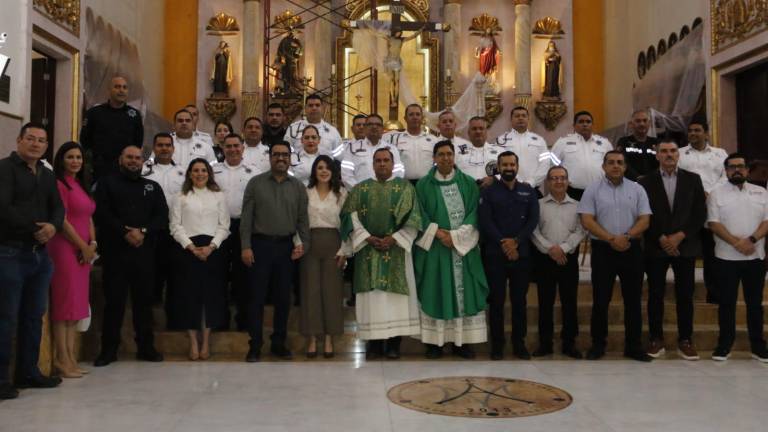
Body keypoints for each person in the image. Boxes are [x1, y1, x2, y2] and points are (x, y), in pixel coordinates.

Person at [0, 123, 64, 399]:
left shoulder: (47, 174)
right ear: (19, 140)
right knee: (6, 318)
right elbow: (3, 207)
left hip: (40, 255)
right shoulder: (4, 169)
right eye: (30, 139)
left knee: (33, 317)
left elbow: (58, 207)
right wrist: (36, 227)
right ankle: (1, 379)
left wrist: (53, 226)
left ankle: (28, 371)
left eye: (41, 141)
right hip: (10, 252)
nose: (36, 144)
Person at [341, 148, 422, 360]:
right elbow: (349, 218)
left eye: (386, 160)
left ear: (393, 163)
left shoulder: (405, 189)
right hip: (368, 251)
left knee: (394, 301)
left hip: (396, 250)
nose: (382, 164)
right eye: (378, 161)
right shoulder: (360, 189)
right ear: (373, 164)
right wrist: (367, 237)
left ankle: (394, 344)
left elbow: (414, 219)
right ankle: (374, 344)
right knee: (372, 299)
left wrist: (394, 238)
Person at [93, 145, 168, 367]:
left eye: (137, 158)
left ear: (143, 161)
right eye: (129, 157)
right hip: (116, 252)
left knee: (144, 303)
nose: (134, 161)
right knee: (114, 303)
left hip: (144, 253)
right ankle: (108, 350)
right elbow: (102, 213)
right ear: (120, 159)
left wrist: (143, 231)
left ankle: (146, 347)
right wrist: (125, 232)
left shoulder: (152, 187)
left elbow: (161, 216)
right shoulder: (107, 184)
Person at [414, 141, 488, 359]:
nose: (446, 158)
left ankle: (461, 342)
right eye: (441, 154)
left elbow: (474, 212)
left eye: (449, 154)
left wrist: (455, 236)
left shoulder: (467, 183)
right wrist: (439, 234)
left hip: (462, 249)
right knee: (436, 290)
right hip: (435, 249)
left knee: (463, 294)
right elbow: (419, 213)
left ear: (454, 157)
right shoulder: (423, 185)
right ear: (434, 158)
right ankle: (434, 343)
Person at [578, 150, 652, 362]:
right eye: (611, 162)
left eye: (620, 162)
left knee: (633, 301)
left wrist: (626, 236)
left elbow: (645, 219)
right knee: (601, 300)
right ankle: (598, 345)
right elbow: (587, 220)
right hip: (603, 250)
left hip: (632, 249)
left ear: (625, 166)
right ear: (603, 166)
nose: (615, 166)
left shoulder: (637, 189)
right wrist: (612, 239)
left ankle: (634, 346)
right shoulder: (592, 190)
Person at [241, 142, 309, 362]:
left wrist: (303, 244)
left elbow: (302, 220)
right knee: (256, 298)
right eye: (276, 154)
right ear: (270, 157)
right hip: (260, 246)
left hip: (286, 248)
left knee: (283, 299)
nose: (281, 158)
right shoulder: (256, 183)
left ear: (290, 158)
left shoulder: (298, 186)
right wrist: (245, 246)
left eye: (285, 155)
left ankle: (279, 343)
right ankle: (255, 345)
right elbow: (246, 219)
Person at [638, 139, 706, 360]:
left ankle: (685, 339)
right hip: (656, 245)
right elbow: (643, 213)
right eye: (664, 151)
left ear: (679, 155)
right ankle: (656, 338)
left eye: (673, 151)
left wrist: (679, 236)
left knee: (685, 295)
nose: (668, 154)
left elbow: (699, 213)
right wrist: (661, 238)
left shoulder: (693, 180)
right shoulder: (645, 181)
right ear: (656, 155)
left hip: (684, 246)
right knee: (655, 294)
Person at [707, 153, 768, 362]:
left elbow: (766, 221)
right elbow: (714, 224)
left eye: (741, 166)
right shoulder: (716, 194)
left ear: (747, 170)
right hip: (726, 258)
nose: (737, 170)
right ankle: (724, 345)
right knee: (726, 303)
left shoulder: (761, 192)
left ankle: (758, 346)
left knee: (755, 304)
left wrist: (751, 240)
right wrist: (737, 243)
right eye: (732, 167)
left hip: (755, 257)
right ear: (726, 171)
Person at [479, 151, 539, 360]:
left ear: (517, 166)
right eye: (504, 165)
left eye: (512, 164)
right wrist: (504, 243)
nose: (508, 168)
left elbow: (533, 220)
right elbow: (485, 221)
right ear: (498, 166)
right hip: (495, 254)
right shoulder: (488, 192)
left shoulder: (528, 191)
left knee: (519, 301)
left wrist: (516, 242)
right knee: (496, 301)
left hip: (520, 255)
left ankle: (518, 343)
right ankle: (497, 345)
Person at [170, 158, 230, 361]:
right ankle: (193, 342)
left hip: (213, 250)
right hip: (188, 250)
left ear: (209, 173)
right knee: (189, 296)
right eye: (195, 170)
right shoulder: (180, 196)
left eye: (203, 170)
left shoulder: (218, 196)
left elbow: (224, 225)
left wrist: (212, 247)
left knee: (210, 296)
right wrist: (191, 247)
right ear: (189, 174)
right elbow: (175, 226)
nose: (200, 174)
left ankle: (205, 341)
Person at [48, 141, 96, 378]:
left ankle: (71, 357)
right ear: (61, 160)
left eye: (78, 157)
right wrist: (81, 246)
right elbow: (63, 221)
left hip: (84, 250)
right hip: (65, 248)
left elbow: (88, 217)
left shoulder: (80, 185)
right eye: (70, 157)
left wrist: (93, 244)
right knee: (64, 304)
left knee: (76, 306)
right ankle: (61, 359)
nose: (75, 161)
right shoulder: (59, 184)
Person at [531, 166, 585, 359]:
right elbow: (533, 230)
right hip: (545, 260)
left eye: (562, 178)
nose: (559, 181)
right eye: (554, 178)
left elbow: (581, 230)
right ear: (548, 182)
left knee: (569, 303)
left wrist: (563, 248)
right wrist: (550, 249)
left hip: (567, 259)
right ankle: (545, 343)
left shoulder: (577, 205)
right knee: (545, 303)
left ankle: (569, 343)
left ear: (568, 181)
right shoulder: (538, 204)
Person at [301, 155, 349, 358]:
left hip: (333, 243)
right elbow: (299, 220)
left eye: (327, 168)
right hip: (309, 243)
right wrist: (298, 244)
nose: (323, 171)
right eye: (319, 167)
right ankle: (312, 338)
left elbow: (347, 224)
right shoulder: (306, 193)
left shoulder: (341, 194)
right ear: (314, 171)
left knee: (331, 292)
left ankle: (329, 338)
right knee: (310, 291)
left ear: (333, 171)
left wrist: (344, 250)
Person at [212, 133, 258, 331]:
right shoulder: (213, 171)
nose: (232, 149)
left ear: (243, 148)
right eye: (228, 146)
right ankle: (220, 320)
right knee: (218, 274)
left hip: (244, 227)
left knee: (243, 276)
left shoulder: (254, 172)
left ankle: (243, 320)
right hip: (217, 227)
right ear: (222, 149)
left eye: (236, 146)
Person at [678, 120, 727, 304]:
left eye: (697, 130)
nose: (693, 133)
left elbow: (725, 175)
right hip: (688, 209)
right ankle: (685, 294)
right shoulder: (680, 154)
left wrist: (710, 194)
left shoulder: (719, 154)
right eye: (690, 131)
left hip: (713, 206)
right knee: (687, 253)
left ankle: (713, 294)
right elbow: (678, 177)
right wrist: (696, 195)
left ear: (706, 133)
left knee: (711, 251)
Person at [141, 133, 185, 311]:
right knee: (152, 271)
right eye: (160, 145)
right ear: (154, 148)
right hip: (151, 229)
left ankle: (174, 312)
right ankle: (152, 307)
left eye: (168, 145)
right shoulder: (144, 171)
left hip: (176, 229)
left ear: (174, 149)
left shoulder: (184, 172)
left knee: (175, 272)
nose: (164, 148)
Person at [80, 76, 143, 180]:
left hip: (126, 169)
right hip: (100, 169)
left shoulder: (134, 115)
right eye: (117, 87)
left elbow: (138, 142)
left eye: (124, 87)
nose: (121, 90)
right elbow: (85, 140)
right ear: (109, 90)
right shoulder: (94, 113)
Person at [551, 111, 613, 200]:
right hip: (572, 192)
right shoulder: (563, 142)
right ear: (574, 125)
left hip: (600, 191)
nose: (585, 124)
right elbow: (552, 165)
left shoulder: (604, 143)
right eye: (581, 122)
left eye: (588, 122)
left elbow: (612, 165)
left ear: (592, 125)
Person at [341, 113, 404, 189]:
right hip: (360, 195)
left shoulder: (392, 149)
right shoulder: (352, 149)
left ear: (382, 129)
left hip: (386, 193)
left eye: (378, 124)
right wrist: (359, 191)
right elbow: (346, 174)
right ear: (365, 128)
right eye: (370, 124)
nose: (374, 127)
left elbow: (398, 172)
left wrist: (388, 189)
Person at [493, 106, 550, 188]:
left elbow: (545, 164)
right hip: (507, 187)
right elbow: (496, 164)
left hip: (532, 187)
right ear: (511, 119)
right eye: (517, 116)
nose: (520, 118)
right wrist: (515, 181)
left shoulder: (539, 141)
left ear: (528, 118)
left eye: (524, 116)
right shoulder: (501, 140)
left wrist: (531, 182)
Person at [383, 104, 436, 183]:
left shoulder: (433, 140)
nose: (415, 117)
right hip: (403, 183)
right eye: (411, 114)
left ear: (422, 118)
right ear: (405, 118)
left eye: (418, 114)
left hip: (427, 184)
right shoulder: (395, 139)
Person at [616, 109, 659, 181]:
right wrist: (637, 177)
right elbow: (621, 162)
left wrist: (651, 178)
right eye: (638, 121)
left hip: (654, 182)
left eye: (645, 120)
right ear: (631, 124)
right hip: (631, 183)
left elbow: (661, 162)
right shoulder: (624, 142)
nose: (642, 124)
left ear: (649, 123)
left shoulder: (656, 142)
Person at [456, 116, 500, 185]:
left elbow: (507, 171)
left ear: (486, 132)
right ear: (468, 132)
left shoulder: (499, 151)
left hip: (491, 192)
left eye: (481, 128)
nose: (478, 131)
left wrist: (494, 179)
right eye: (474, 129)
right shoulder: (457, 152)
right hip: (466, 192)